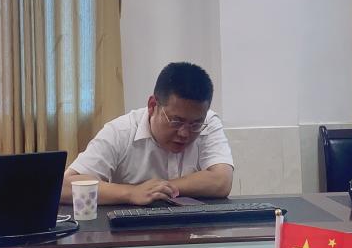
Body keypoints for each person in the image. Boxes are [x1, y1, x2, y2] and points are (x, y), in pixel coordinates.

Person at [62, 62, 233, 205]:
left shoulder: (209, 122)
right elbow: (65, 186)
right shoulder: (120, 132)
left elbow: (222, 181)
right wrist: (131, 193)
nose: (184, 133)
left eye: (195, 124)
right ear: (152, 106)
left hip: (193, 229)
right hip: (131, 232)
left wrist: (159, 189)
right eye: (176, 121)